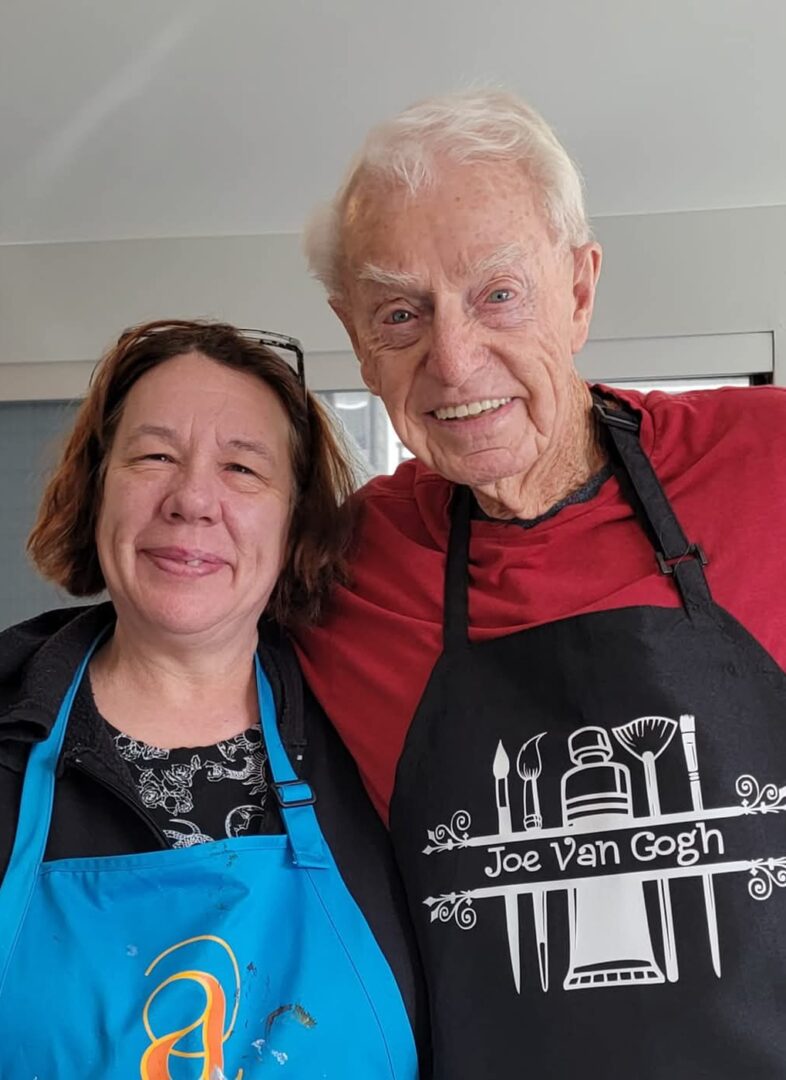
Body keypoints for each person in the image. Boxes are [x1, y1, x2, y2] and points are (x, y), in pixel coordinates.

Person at [298, 89, 786, 1078]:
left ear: (579, 290)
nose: (453, 360)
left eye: (497, 294)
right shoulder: (328, 570)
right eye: (401, 313)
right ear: (356, 338)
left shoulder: (769, 462)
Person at [0, 319, 427, 1078]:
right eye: (154, 456)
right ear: (96, 489)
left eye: (242, 468)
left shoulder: (380, 727)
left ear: (294, 519)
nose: (192, 499)